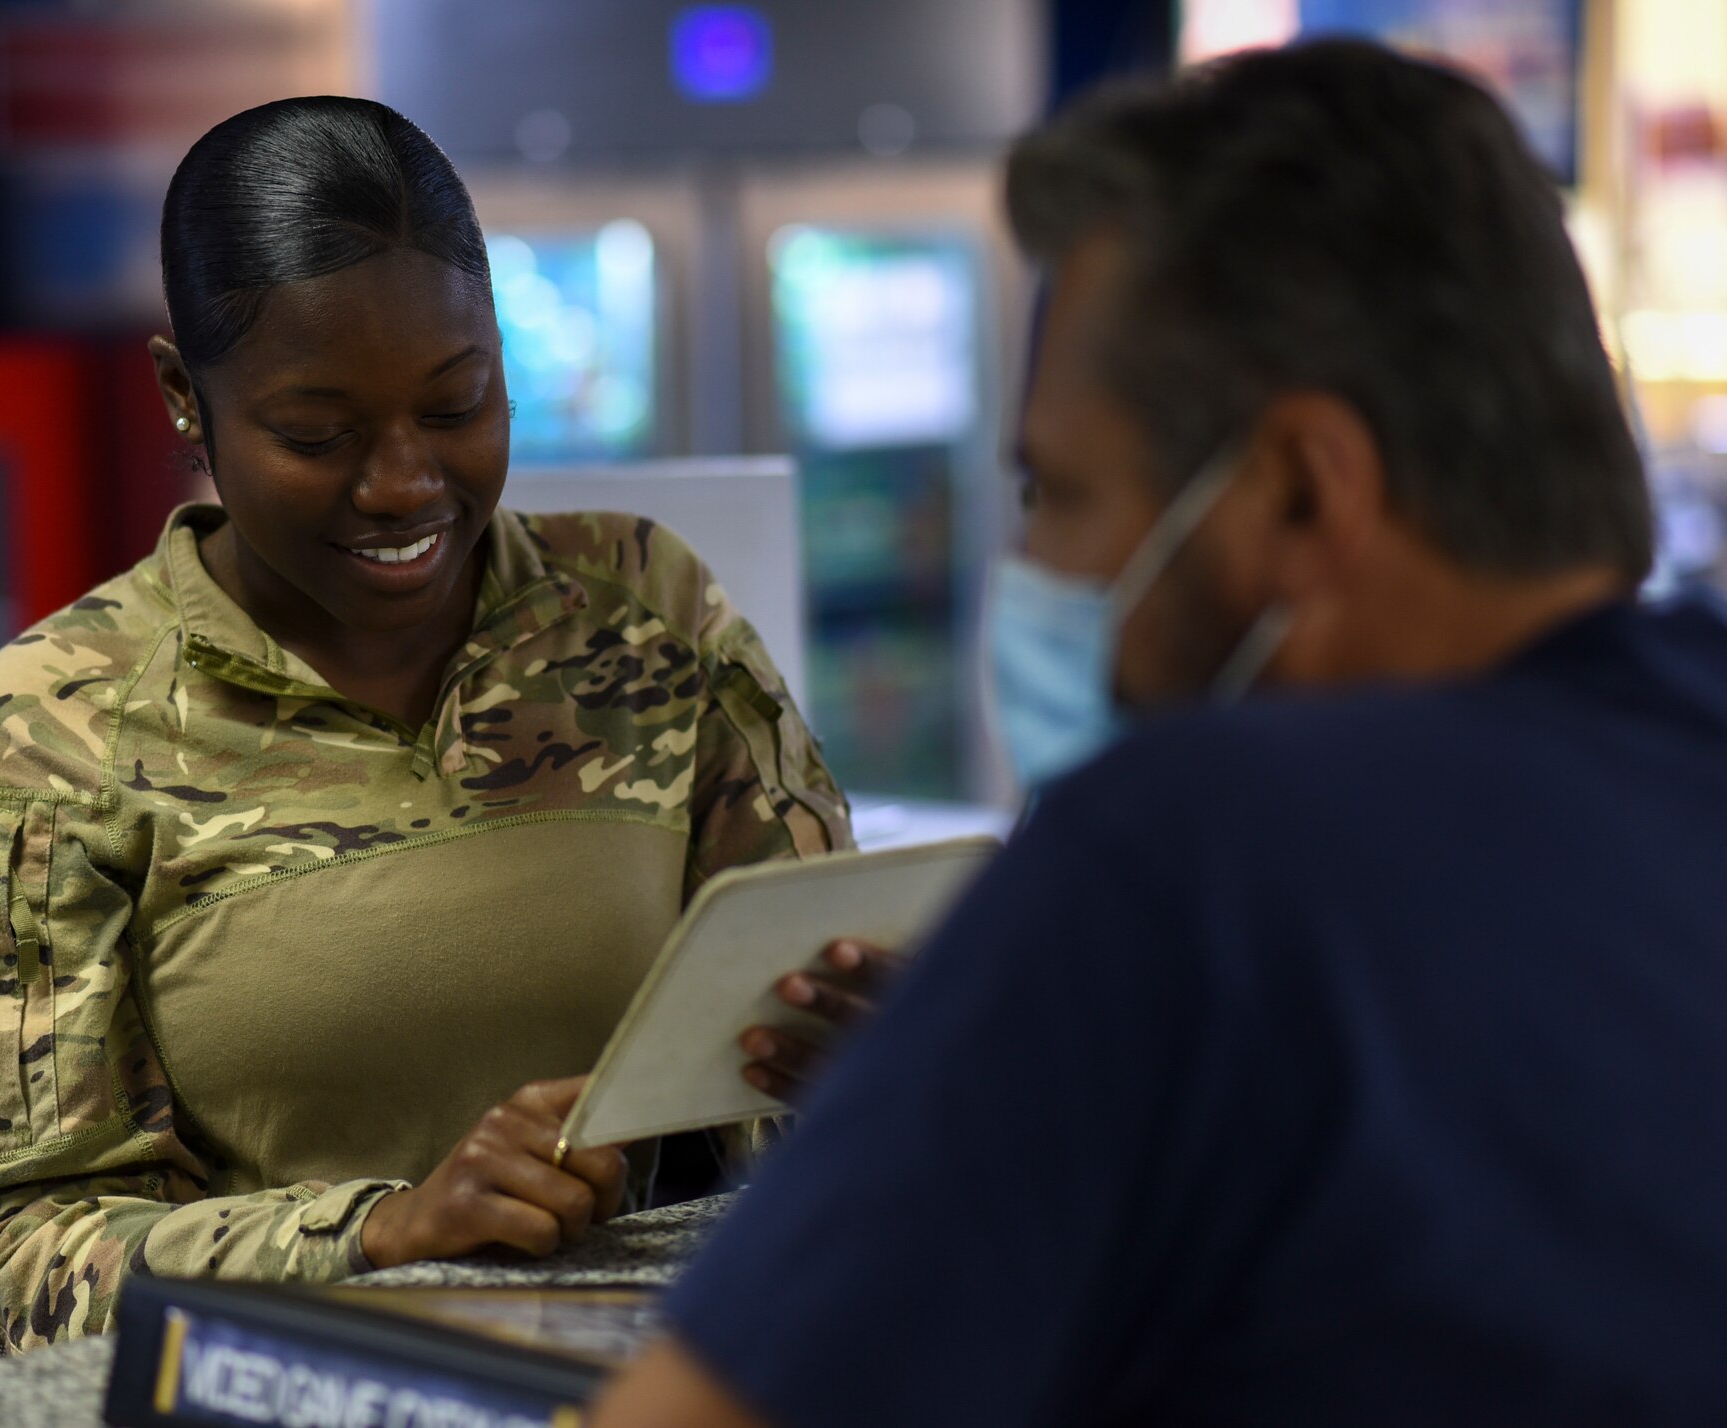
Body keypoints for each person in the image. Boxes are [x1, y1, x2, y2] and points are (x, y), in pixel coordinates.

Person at [592, 39, 1727, 1427]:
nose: (1042, 569)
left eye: (1059, 494)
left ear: (1305, 495)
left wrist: (1001, 1040)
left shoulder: (1183, 858)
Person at [0, 96, 853, 1358]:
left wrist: (860, 1058)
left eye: (457, 407)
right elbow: (13, 1263)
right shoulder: (50, 728)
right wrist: (378, 1236)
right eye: (317, 434)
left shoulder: (640, 608)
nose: (403, 483)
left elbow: (794, 1049)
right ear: (186, 397)